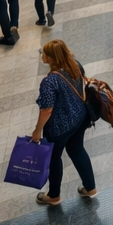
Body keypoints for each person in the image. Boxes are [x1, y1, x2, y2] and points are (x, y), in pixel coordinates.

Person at [29, 39, 97, 206]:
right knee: (77, 150)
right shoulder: (75, 65)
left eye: (44, 53)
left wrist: (37, 131)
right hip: (79, 117)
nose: (42, 56)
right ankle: (90, 188)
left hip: (59, 127)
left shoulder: (50, 81)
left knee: (53, 158)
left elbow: (47, 110)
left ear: (52, 58)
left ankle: (53, 196)